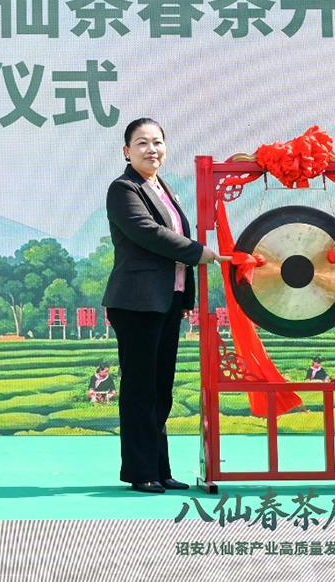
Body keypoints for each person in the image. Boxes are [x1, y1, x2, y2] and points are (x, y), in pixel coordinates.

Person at [103, 117, 226, 494]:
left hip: (168, 299)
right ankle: (140, 471)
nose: (151, 149)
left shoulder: (164, 188)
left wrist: (185, 294)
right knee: (140, 389)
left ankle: (159, 468)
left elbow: (172, 233)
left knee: (160, 389)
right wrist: (198, 252)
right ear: (127, 151)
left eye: (157, 142)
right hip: (137, 301)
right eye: (141, 143)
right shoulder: (124, 188)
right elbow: (148, 233)